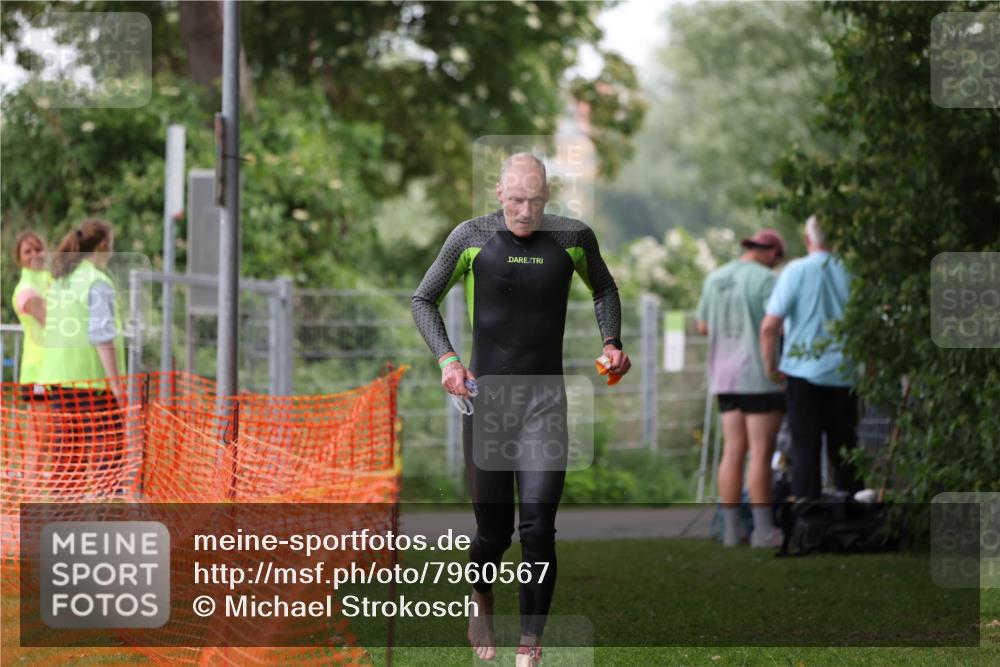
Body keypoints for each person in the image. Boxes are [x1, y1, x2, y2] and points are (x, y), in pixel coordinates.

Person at [412, 153, 630, 665]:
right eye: (515, 200)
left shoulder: (573, 237)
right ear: (499, 193)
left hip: (545, 403)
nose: (525, 211)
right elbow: (423, 299)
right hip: (486, 405)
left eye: (534, 200)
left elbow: (605, 288)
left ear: (547, 195)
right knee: (494, 533)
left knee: (538, 527)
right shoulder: (469, 238)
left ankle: (530, 645)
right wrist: (447, 359)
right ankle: (481, 595)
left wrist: (612, 341)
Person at [760, 214, 862, 500]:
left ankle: (808, 516)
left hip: (802, 373)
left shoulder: (796, 271)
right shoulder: (851, 271)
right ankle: (853, 517)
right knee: (845, 451)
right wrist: (870, 373)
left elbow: (769, 327)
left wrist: (772, 369)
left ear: (807, 240)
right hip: (845, 373)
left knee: (805, 450)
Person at [696, 228, 786, 548]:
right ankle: (764, 531)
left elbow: (703, 325)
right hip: (760, 376)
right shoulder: (766, 280)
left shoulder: (714, 278)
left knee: (733, 452)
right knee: (760, 454)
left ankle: (731, 532)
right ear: (772, 253)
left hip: (724, 377)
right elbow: (775, 326)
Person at [36, 219, 127, 489]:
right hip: (91, 385)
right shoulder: (97, 282)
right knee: (106, 457)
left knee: (66, 457)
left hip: (59, 381)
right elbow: (101, 336)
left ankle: (61, 519)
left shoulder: (61, 280)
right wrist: (117, 387)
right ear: (103, 245)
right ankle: (103, 518)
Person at [11, 230, 52, 393]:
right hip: (38, 371)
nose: (34, 255)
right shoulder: (26, 290)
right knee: (41, 420)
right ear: (19, 258)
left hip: (58, 371)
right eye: (28, 251)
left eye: (38, 249)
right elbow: (51, 323)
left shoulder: (51, 280)